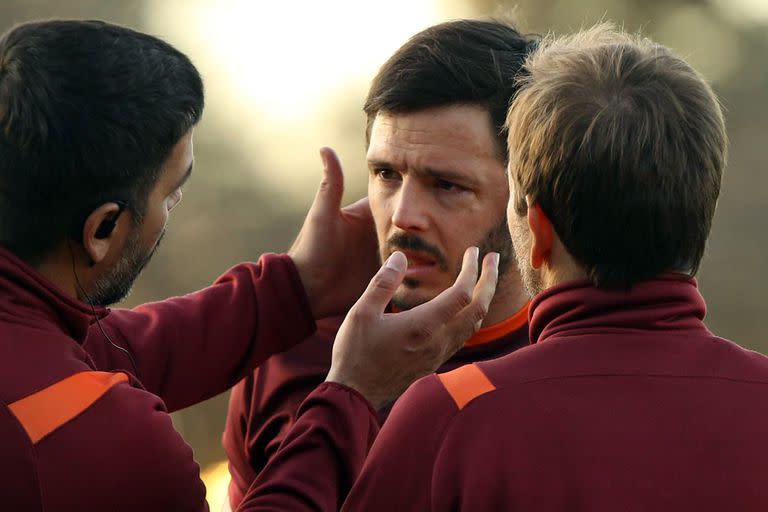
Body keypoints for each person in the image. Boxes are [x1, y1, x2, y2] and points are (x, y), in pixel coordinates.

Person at [0, 19, 498, 510]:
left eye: (447, 184)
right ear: (103, 230)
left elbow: (105, 350)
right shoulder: (88, 436)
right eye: (171, 195)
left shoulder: (36, 355)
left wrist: (294, 287)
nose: (404, 216)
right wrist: (352, 393)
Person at [223, 19, 537, 508]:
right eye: (386, 174)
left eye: (446, 185)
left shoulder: (574, 367)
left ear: (525, 196)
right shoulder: (292, 348)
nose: (402, 216)